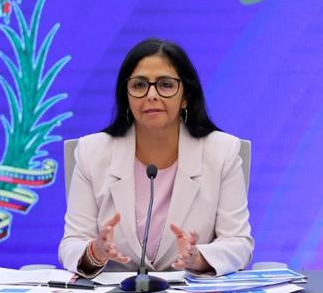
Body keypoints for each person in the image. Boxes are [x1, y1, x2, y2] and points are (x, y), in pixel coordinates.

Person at [58, 38, 253, 277]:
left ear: (185, 97)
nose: (151, 95)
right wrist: (94, 252)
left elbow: (238, 243)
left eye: (166, 85)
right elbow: (71, 244)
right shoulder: (92, 152)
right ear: (126, 96)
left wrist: (198, 258)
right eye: (139, 85)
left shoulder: (222, 151)